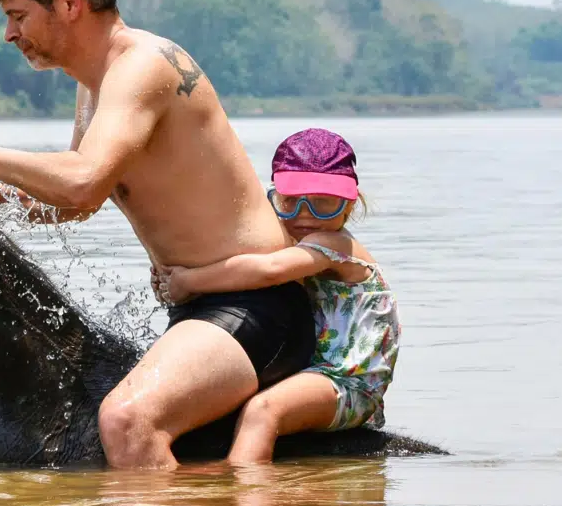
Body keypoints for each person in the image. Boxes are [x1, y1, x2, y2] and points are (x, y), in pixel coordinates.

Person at [0, 0, 316, 470]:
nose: (9, 34)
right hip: (201, 308)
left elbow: (83, 177)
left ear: (68, 1)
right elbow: (75, 202)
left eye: (18, 16)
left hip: (257, 305)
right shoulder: (94, 83)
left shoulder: (143, 66)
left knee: (127, 421)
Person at [154, 128, 401, 464]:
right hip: (319, 373)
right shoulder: (302, 238)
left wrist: (190, 281)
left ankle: (250, 493)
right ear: (274, 199)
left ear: (348, 205)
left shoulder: (335, 245)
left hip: (350, 384)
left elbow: (268, 269)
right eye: (290, 202)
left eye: (323, 204)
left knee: (263, 410)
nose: (304, 214)